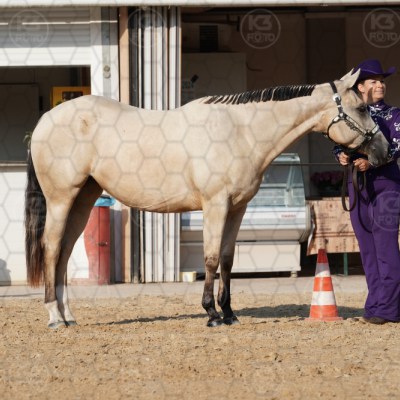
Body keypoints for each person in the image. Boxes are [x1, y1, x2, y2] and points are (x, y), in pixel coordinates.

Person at [334, 59, 400, 324]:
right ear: (360, 87)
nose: (380, 85)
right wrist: (340, 155)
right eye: (374, 81)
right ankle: (374, 306)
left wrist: (371, 162)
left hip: (386, 186)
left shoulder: (394, 115)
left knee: (386, 247)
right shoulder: (350, 114)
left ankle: (390, 309)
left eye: (382, 81)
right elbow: (339, 140)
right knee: (368, 250)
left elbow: (397, 147)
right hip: (357, 185)